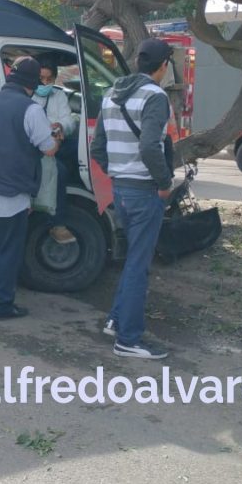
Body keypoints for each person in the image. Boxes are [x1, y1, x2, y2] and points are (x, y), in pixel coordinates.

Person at [90, 38, 174, 360]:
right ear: (163, 65)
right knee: (139, 265)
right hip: (144, 191)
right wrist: (164, 183)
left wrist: (117, 172)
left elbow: (98, 147)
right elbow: (151, 146)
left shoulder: (112, 94)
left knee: (132, 261)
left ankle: (115, 319)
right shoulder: (155, 96)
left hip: (121, 190)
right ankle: (128, 339)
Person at [0, 57, 59, 320]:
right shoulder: (30, 110)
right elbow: (48, 149)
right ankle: (2, 306)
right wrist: (57, 136)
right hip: (11, 195)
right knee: (7, 252)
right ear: (33, 83)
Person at [32, 60, 80, 244]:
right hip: (38, 147)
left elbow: (69, 121)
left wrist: (61, 127)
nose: (44, 83)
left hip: (58, 140)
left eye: (49, 79)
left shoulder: (58, 96)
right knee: (59, 172)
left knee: (82, 150)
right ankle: (58, 223)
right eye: (41, 78)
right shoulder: (27, 96)